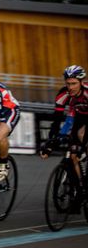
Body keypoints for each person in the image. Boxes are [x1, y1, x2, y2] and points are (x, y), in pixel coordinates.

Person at [41, 65, 88, 198]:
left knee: (82, 135)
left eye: (74, 84)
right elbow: (57, 121)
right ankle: (80, 189)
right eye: (68, 84)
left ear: (81, 82)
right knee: (73, 154)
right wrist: (50, 142)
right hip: (79, 118)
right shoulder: (63, 95)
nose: (70, 87)